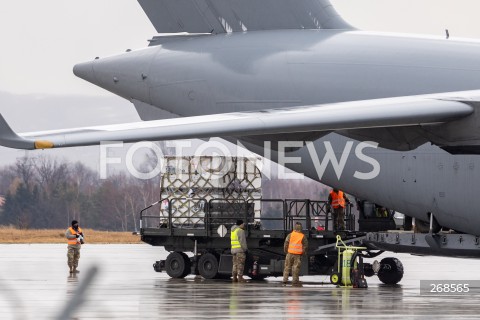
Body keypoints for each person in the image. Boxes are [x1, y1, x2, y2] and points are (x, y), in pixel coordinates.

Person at [283, 222, 308, 287]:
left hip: (289, 254)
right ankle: (295, 281)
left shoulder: (290, 235)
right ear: (301, 228)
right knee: (295, 268)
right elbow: (305, 246)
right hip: (297, 255)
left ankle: (285, 280)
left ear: (294, 228)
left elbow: (286, 244)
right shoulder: (302, 236)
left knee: (287, 267)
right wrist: (303, 253)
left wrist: (286, 251)